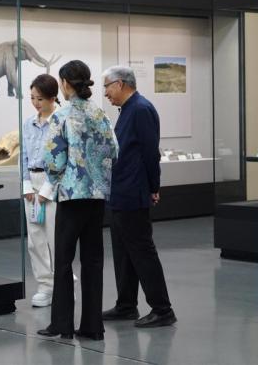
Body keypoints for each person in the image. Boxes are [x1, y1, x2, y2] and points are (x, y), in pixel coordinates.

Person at [37, 60, 118, 340]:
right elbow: (114, 151)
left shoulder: (61, 116)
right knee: (93, 261)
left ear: (65, 83)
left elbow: (53, 159)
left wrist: (58, 179)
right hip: (97, 198)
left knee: (63, 261)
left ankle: (61, 324)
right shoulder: (100, 113)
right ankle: (92, 326)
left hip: (71, 197)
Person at [101, 65, 177, 328]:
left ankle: (163, 309)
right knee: (123, 252)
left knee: (142, 252)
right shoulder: (127, 110)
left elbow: (150, 153)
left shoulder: (141, 109)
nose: (105, 93)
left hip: (133, 193)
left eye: (107, 87)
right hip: (121, 192)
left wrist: (153, 186)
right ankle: (126, 305)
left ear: (120, 84)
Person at [21, 74, 61, 307]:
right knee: (34, 240)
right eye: (33, 98)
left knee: (55, 239)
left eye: (40, 99)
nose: (36, 103)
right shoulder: (28, 123)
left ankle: (64, 285)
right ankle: (45, 286)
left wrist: (48, 188)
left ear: (52, 98)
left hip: (53, 183)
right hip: (32, 182)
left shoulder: (60, 121)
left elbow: (62, 158)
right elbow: (24, 155)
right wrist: (26, 184)